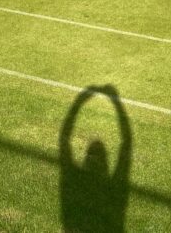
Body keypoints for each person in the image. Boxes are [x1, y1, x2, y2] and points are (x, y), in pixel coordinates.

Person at [59, 85, 132, 233]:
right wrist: (116, 103)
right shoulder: (113, 192)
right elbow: (127, 143)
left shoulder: (74, 182)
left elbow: (63, 141)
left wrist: (79, 102)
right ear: (104, 164)